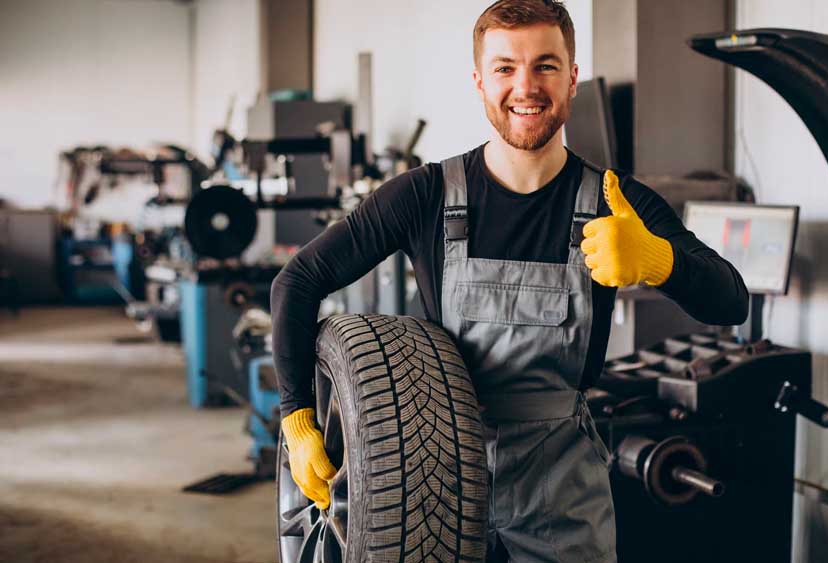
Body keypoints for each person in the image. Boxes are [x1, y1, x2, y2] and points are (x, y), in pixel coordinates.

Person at [271, 1, 749, 561]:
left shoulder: (619, 203)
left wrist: (659, 260)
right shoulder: (424, 195)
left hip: (562, 493)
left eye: (545, 65)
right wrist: (298, 417)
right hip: (430, 484)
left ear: (572, 79)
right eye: (505, 68)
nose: (526, 86)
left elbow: (731, 301)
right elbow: (298, 281)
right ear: (479, 81)